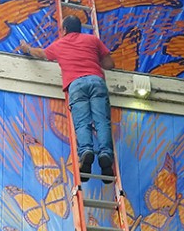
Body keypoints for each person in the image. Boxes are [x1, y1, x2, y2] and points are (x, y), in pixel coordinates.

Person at [19, 15, 115, 180]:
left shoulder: (60, 44)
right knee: (101, 121)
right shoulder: (92, 40)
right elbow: (109, 64)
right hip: (96, 81)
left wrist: (26, 48)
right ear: (80, 28)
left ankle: (86, 151)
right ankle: (105, 154)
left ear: (63, 30)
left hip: (76, 85)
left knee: (82, 122)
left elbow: (41, 54)